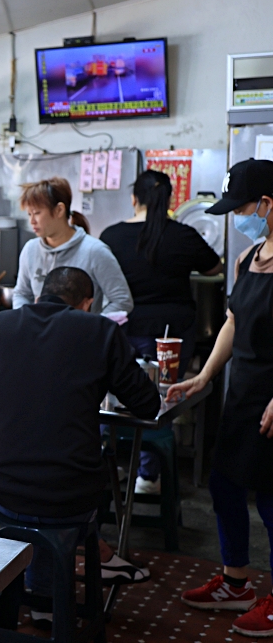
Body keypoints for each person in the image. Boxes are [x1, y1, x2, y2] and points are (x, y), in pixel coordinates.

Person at [0, 266, 159, 620]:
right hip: (71, 494)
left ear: (37, 296)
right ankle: (50, 604)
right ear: (88, 303)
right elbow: (147, 404)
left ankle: (35, 597)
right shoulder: (100, 331)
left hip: (4, 489)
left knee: (30, 503)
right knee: (68, 501)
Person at [169, 159, 273, 638]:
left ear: (267, 204)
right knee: (226, 484)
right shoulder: (249, 256)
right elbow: (233, 322)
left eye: (243, 207)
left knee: (272, 502)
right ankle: (236, 582)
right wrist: (206, 376)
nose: (237, 216)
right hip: (243, 393)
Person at [100, 170, 222, 494]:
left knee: (117, 399)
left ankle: (107, 467)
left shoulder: (111, 236)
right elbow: (214, 268)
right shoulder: (183, 234)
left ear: (133, 198)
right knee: (160, 401)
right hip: (172, 335)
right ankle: (148, 475)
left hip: (123, 330)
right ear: (169, 201)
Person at [13, 177, 133, 316]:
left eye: (37, 213)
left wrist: (94, 326)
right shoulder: (30, 250)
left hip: (82, 336)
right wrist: (26, 321)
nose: (32, 221)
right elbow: (22, 294)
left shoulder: (95, 251)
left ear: (59, 210)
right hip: (39, 336)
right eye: (29, 214)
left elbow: (122, 301)